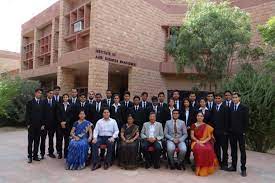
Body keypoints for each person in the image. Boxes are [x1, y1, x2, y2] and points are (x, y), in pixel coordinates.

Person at [227, 92, 248, 177]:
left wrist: (244, 131)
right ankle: (233, 166)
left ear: (239, 98)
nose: (234, 99)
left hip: (241, 133)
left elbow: (246, 121)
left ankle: (243, 168)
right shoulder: (231, 107)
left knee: (242, 151)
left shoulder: (244, 107)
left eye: (236, 97)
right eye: (233, 98)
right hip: (232, 133)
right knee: (233, 150)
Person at [191, 112, 218, 176]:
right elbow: (192, 136)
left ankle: (206, 168)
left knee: (208, 149)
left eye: (201, 116)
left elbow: (209, 137)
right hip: (196, 141)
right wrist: (198, 141)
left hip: (205, 141)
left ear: (203, 117)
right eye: (198, 116)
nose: (199, 117)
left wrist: (203, 142)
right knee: (199, 149)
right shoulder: (193, 125)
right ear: (196, 117)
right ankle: (199, 167)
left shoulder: (206, 126)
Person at [26, 88, 45, 163]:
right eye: (38, 93)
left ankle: (35, 156)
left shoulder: (42, 103)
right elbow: (27, 114)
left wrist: (43, 124)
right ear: (35, 93)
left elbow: (44, 114)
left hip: (39, 126)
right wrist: (28, 124)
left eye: (40, 93)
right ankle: (30, 156)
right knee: (30, 142)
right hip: (31, 125)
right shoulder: (30, 102)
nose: (39, 94)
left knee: (37, 141)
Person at [211, 93, 229, 170]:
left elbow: (227, 120)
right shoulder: (214, 107)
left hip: (223, 132)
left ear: (221, 99)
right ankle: (218, 161)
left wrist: (226, 131)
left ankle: (225, 163)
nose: (217, 100)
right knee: (216, 148)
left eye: (219, 98)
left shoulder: (226, 107)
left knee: (224, 148)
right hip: (215, 132)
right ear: (214, 99)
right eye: (216, 98)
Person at [40, 89, 57, 159]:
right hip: (44, 125)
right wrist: (42, 124)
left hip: (52, 125)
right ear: (47, 94)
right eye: (50, 93)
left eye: (52, 93)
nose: (51, 94)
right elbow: (41, 114)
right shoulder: (43, 102)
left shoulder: (55, 102)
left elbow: (56, 114)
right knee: (43, 139)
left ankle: (51, 152)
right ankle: (42, 153)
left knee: (51, 139)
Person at [56, 94, 73, 159]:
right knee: (59, 140)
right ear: (62, 98)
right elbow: (58, 114)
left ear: (68, 98)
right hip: (60, 125)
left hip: (68, 125)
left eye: (66, 97)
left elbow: (71, 115)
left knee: (67, 140)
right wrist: (61, 122)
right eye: (64, 97)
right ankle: (60, 153)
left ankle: (66, 153)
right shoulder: (59, 105)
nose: (65, 98)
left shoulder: (71, 106)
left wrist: (65, 122)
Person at [181, 98, 196, 164]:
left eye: (187, 102)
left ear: (189, 103)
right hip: (182, 130)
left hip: (190, 129)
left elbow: (194, 120)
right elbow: (180, 119)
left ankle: (188, 158)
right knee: (183, 143)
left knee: (189, 144)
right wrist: (184, 127)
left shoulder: (193, 110)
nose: (186, 103)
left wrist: (190, 126)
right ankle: (182, 158)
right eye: (184, 102)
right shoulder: (181, 110)